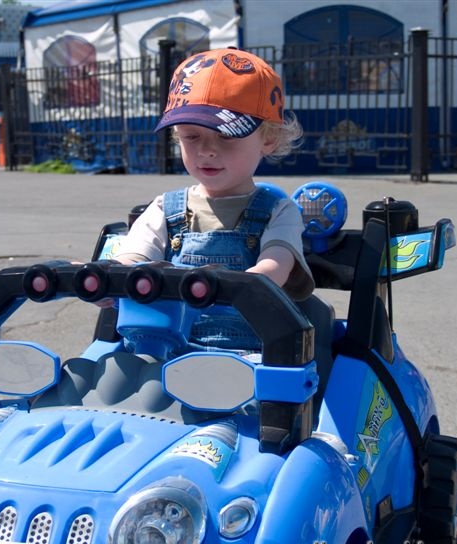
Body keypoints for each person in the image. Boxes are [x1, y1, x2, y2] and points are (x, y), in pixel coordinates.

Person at [114, 48, 314, 352]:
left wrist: (251, 280)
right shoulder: (164, 209)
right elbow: (133, 257)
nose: (206, 150)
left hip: (246, 353)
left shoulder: (278, 210)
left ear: (269, 138)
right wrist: (110, 276)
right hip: (162, 346)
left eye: (226, 136)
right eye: (191, 136)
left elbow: (276, 265)